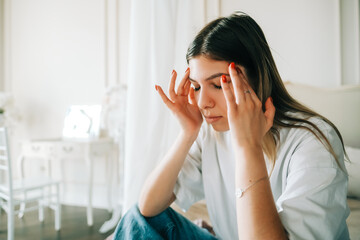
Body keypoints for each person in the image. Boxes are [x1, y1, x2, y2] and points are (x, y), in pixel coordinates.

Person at [112, 12, 349, 239]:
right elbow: (148, 206)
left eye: (217, 85)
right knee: (136, 219)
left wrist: (248, 147)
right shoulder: (211, 133)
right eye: (196, 87)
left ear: (256, 79)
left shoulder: (314, 142)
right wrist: (188, 133)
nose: (203, 102)